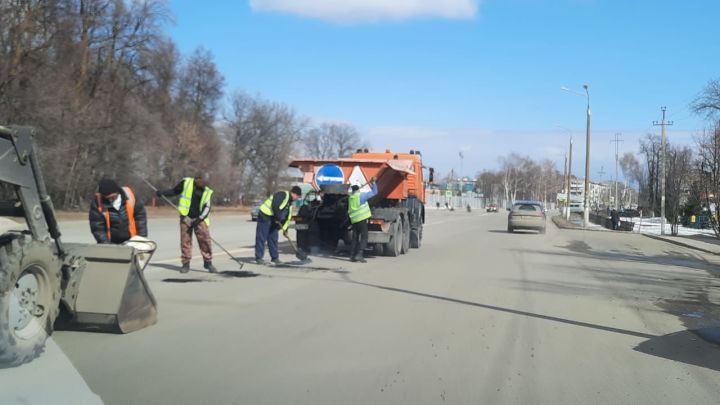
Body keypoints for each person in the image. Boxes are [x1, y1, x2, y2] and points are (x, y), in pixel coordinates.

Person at [157, 174, 216, 273]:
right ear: (197, 179)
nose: (203, 184)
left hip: (200, 219)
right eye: (201, 182)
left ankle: (208, 262)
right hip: (186, 217)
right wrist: (162, 193)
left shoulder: (207, 190)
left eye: (205, 183)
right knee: (185, 241)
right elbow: (174, 191)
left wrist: (200, 218)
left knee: (205, 241)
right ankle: (185, 263)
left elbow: (207, 207)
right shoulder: (186, 183)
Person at [90, 179, 148, 244]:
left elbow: (140, 217)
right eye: (107, 198)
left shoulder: (130, 195)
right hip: (111, 242)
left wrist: (141, 238)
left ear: (117, 192)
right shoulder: (97, 203)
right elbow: (98, 228)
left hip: (132, 240)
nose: (110, 200)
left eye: (112, 197)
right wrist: (106, 244)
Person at [255, 186, 303, 265]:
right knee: (261, 237)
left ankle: (275, 258)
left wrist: (285, 230)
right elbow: (275, 205)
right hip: (265, 215)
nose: (297, 198)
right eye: (298, 196)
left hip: (273, 219)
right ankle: (259, 258)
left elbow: (287, 219)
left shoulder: (289, 204)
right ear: (294, 193)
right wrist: (277, 217)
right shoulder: (282, 194)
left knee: (273, 238)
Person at [348, 178, 378, 263]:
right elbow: (374, 192)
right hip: (361, 220)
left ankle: (352, 256)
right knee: (364, 237)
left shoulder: (350, 197)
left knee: (355, 238)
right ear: (358, 189)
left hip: (354, 220)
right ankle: (359, 255)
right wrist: (373, 183)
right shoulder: (361, 196)